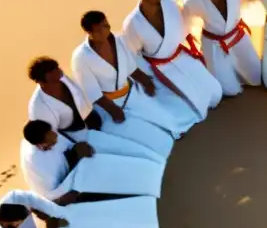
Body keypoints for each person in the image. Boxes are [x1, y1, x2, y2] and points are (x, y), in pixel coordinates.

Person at [71, 10, 195, 140]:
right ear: (89, 33)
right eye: (99, 29)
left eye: (105, 25)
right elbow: (91, 91)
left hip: (131, 93)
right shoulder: (81, 57)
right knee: (141, 134)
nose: (105, 30)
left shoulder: (118, 40)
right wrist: (113, 110)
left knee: (166, 120)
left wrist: (146, 81)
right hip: (108, 105)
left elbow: (130, 67)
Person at [121, 0, 223, 121]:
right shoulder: (132, 23)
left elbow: (183, 26)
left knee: (216, 94)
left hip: (180, 56)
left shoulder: (170, 5)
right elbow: (133, 55)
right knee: (190, 107)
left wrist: (194, 48)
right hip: (156, 67)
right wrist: (145, 79)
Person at [180, 0, 261, 96]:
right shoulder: (192, 0)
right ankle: (212, 68)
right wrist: (193, 46)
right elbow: (181, 22)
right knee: (229, 91)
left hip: (237, 36)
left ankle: (234, 68)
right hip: (213, 44)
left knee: (257, 77)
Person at [26, 56, 101, 137]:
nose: (57, 70)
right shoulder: (38, 106)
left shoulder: (64, 79)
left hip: (94, 121)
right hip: (73, 137)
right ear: (40, 80)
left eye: (56, 67)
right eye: (51, 70)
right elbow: (49, 136)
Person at [19, 120, 94, 199]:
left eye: (51, 131)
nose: (55, 135)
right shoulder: (40, 165)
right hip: (56, 194)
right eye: (50, 143)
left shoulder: (42, 135)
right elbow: (56, 193)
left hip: (66, 166)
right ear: (40, 145)